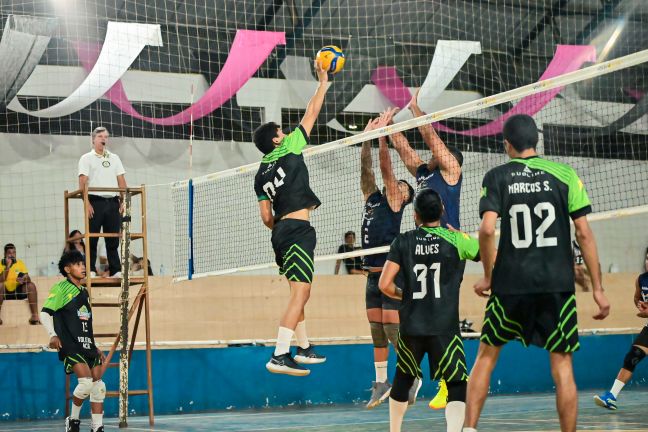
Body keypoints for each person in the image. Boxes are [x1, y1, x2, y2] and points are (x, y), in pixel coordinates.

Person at [464, 114, 610, 432]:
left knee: (486, 357)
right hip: (555, 284)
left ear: (506, 144)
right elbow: (584, 233)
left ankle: (468, 429)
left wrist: (489, 275)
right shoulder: (565, 174)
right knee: (562, 363)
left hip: (510, 285)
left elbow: (487, 230)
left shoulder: (497, 176)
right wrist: (598, 287)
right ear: (536, 141)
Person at [379, 188, 480, 432]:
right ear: (442, 211)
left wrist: (405, 295)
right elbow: (491, 255)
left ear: (415, 215)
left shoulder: (402, 241)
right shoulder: (457, 240)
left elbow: (384, 284)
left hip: (412, 324)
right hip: (444, 326)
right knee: (456, 383)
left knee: (403, 379)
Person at [253, 60, 329, 376]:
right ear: (275, 140)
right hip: (297, 230)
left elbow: (265, 216)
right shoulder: (290, 147)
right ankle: (280, 353)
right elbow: (311, 113)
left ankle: (304, 347)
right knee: (301, 292)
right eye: (281, 131)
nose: (285, 132)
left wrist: (281, 224)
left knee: (301, 291)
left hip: (281, 232)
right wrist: (323, 83)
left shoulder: (259, 174)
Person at [390, 92, 463, 407]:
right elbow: (406, 150)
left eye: (442, 151)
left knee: (443, 315)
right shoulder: (424, 175)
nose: (435, 152)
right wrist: (388, 127)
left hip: (447, 248)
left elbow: (432, 140)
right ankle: (418, 377)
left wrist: (416, 109)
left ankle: (448, 383)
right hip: (420, 248)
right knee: (421, 311)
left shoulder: (451, 172)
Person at [360, 109, 415, 408]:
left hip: (390, 275)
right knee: (377, 332)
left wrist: (382, 137)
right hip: (371, 275)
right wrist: (366, 140)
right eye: (399, 185)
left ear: (405, 197)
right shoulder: (373, 199)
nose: (398, 186)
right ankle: (381, 382)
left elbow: (385, 171)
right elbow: (368, 173)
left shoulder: (395, 201)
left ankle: (411, 374)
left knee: (393, 330)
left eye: (404, 187)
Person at [39, 250, 106, 432]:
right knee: (85, 383)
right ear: (68, 269)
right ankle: (73, 419)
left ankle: (97, 427)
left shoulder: (84, 292)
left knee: (99, 387)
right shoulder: (61, 288)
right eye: (78, 264)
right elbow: (44, 313)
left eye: (83, 264)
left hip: (88, 346)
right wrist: (52, 334)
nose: (83, 267)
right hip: (70, 345)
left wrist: (95, 346)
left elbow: (85, 323)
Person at [593, 271, 648, 409]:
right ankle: (612, 397)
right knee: (632, 357)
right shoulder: (641, 279)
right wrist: (640, 305)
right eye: (647, 258)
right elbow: (636, 298)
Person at [78, 126, 126, 279]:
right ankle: (90, 269)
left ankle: (115, 269)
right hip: (95, 201)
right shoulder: (86, 158)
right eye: (100, 136)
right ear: (93, 139)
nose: (104, 139)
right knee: (92, 237)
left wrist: (123, 201)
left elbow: (121, 180)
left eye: (106, 136)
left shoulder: (114, 158)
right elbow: (82, 181)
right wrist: (87, 203)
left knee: (113, 238)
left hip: (112, 202)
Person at [0, 243, 39, 325]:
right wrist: (8, 266)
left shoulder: (20, 263)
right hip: (4, 292)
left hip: (18, 290)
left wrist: (25, 279)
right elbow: (1, 280)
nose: (12, 255)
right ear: (5, 254)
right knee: (0, 285)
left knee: (31, 285)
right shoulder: (1, 264)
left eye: (14, 252)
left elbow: (28, 278)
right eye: (9, 253)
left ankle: (35, 317)